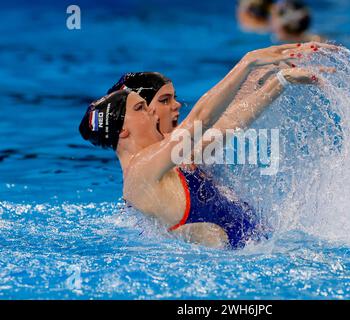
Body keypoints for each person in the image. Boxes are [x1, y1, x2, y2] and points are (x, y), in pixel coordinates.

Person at [79, 43, 336, 249]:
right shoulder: (141, 172)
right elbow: (200, 119)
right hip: (249, 266)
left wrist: (278, 81)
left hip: (265, 248)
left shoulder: (169, 159)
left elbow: (231, 120)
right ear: (122, 130)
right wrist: (248, 63)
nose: (153, 113)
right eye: (141, 108)